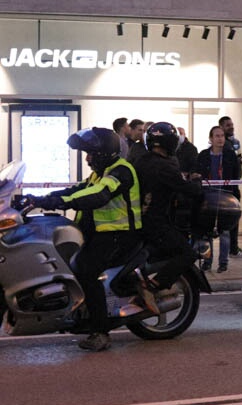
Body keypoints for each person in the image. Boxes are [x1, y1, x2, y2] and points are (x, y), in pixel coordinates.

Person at [26, 127, 145, 351]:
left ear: (103, 153)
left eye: (90, 154)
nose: (88, 159)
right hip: (99, 233)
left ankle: (100, 332)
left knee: (86, 270)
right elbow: (79, 189)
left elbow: (98, 194)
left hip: (119, 235)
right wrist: (41, 198)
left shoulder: (121, 172)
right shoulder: (99, 173)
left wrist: (61, 202)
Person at [132, 122, 203, 297]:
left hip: (139, 219)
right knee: (188, 254)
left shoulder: (142, 161)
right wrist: (196, 182)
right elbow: (188, 189)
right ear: (172, 143)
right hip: (156, 223)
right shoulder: (165, 166)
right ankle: (155, 285)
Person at [196, 125, 241, 272]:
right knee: (207, 232)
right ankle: (207, 261)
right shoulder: (203, 155)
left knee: (225, 231)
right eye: (217, 136)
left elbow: (236, 175)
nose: (220, 139)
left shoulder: (230, 155)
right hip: (208, 197)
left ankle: (223, 262)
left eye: (222, 136)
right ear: (211, 139)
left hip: (226, 197)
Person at [218, 116, 242, 258]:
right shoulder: (224, 146)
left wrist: (239, 162)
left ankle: (232, 248)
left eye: (232, 124)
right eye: (227, 125)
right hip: (228, 188)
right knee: (230, 219)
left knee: (232, 219)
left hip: (233, 184)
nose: (231, 127)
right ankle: (231, 250)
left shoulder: (232, 143)